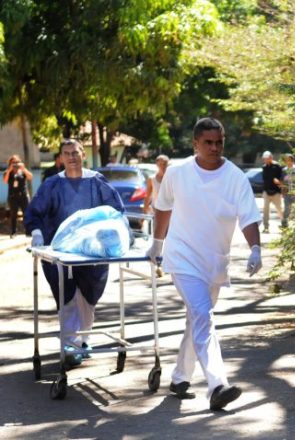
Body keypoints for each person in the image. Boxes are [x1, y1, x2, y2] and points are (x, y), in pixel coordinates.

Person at [146, 117, 262, 411]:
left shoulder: (235, 176)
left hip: (214, 262)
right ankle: (217, 385)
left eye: (219, 142)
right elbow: (163, 208)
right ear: (195, 143)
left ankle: (180, 378)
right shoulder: (178, 172)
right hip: (182, 257)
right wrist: (157, 244)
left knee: (196, 319)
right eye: (208, 142)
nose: (214, 147)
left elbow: (248, 215)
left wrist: (256, 248)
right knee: (203, 316)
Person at [24, 139, 125, 366]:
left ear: (83, 155)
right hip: (59, 251)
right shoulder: (52, 185)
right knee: (67, 297)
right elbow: (34, 212)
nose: (71, 157)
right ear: (61, 158)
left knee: (89, 298)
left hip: (93, 252)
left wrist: (110, 235)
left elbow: (116, 211)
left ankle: (83, 341)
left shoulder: (97, 182)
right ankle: (70, 345)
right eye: (66, 153)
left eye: (75, 152)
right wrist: (37, 232)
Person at [3, 155, 33, 238]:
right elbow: (5, 181)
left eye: (17, 162)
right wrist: (9, 170)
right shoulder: (8, 172)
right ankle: (13, 232)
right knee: (13, 215)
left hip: (23, 195)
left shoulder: (22, 171)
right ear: (10, 163)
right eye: (13, 163)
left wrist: (23, 169)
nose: (15, 164)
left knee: (26, 214)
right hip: (13, 196)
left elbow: (30, 177)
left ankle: (28, 231)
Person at [276, 153, 295, 228]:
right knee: (287, 209)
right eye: (286, 160)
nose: (288, 162)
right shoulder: (284, 170)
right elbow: (282, 181)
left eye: (289, 160)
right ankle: (284, 224)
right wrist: (282, 191)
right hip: (287, 193)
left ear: (292, 161)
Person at [261, 150, 283, 233]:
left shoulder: (277, 166)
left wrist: (279, 182)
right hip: (266, 192)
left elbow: (282, 178)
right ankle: (266, 227)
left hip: (276, 192)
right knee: (265, 210)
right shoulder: (264, 167)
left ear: (271, 158)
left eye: (266, 158)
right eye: (264, 159)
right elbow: (264, 179)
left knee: (279, 209)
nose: (265, 160)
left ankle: (284, 225)